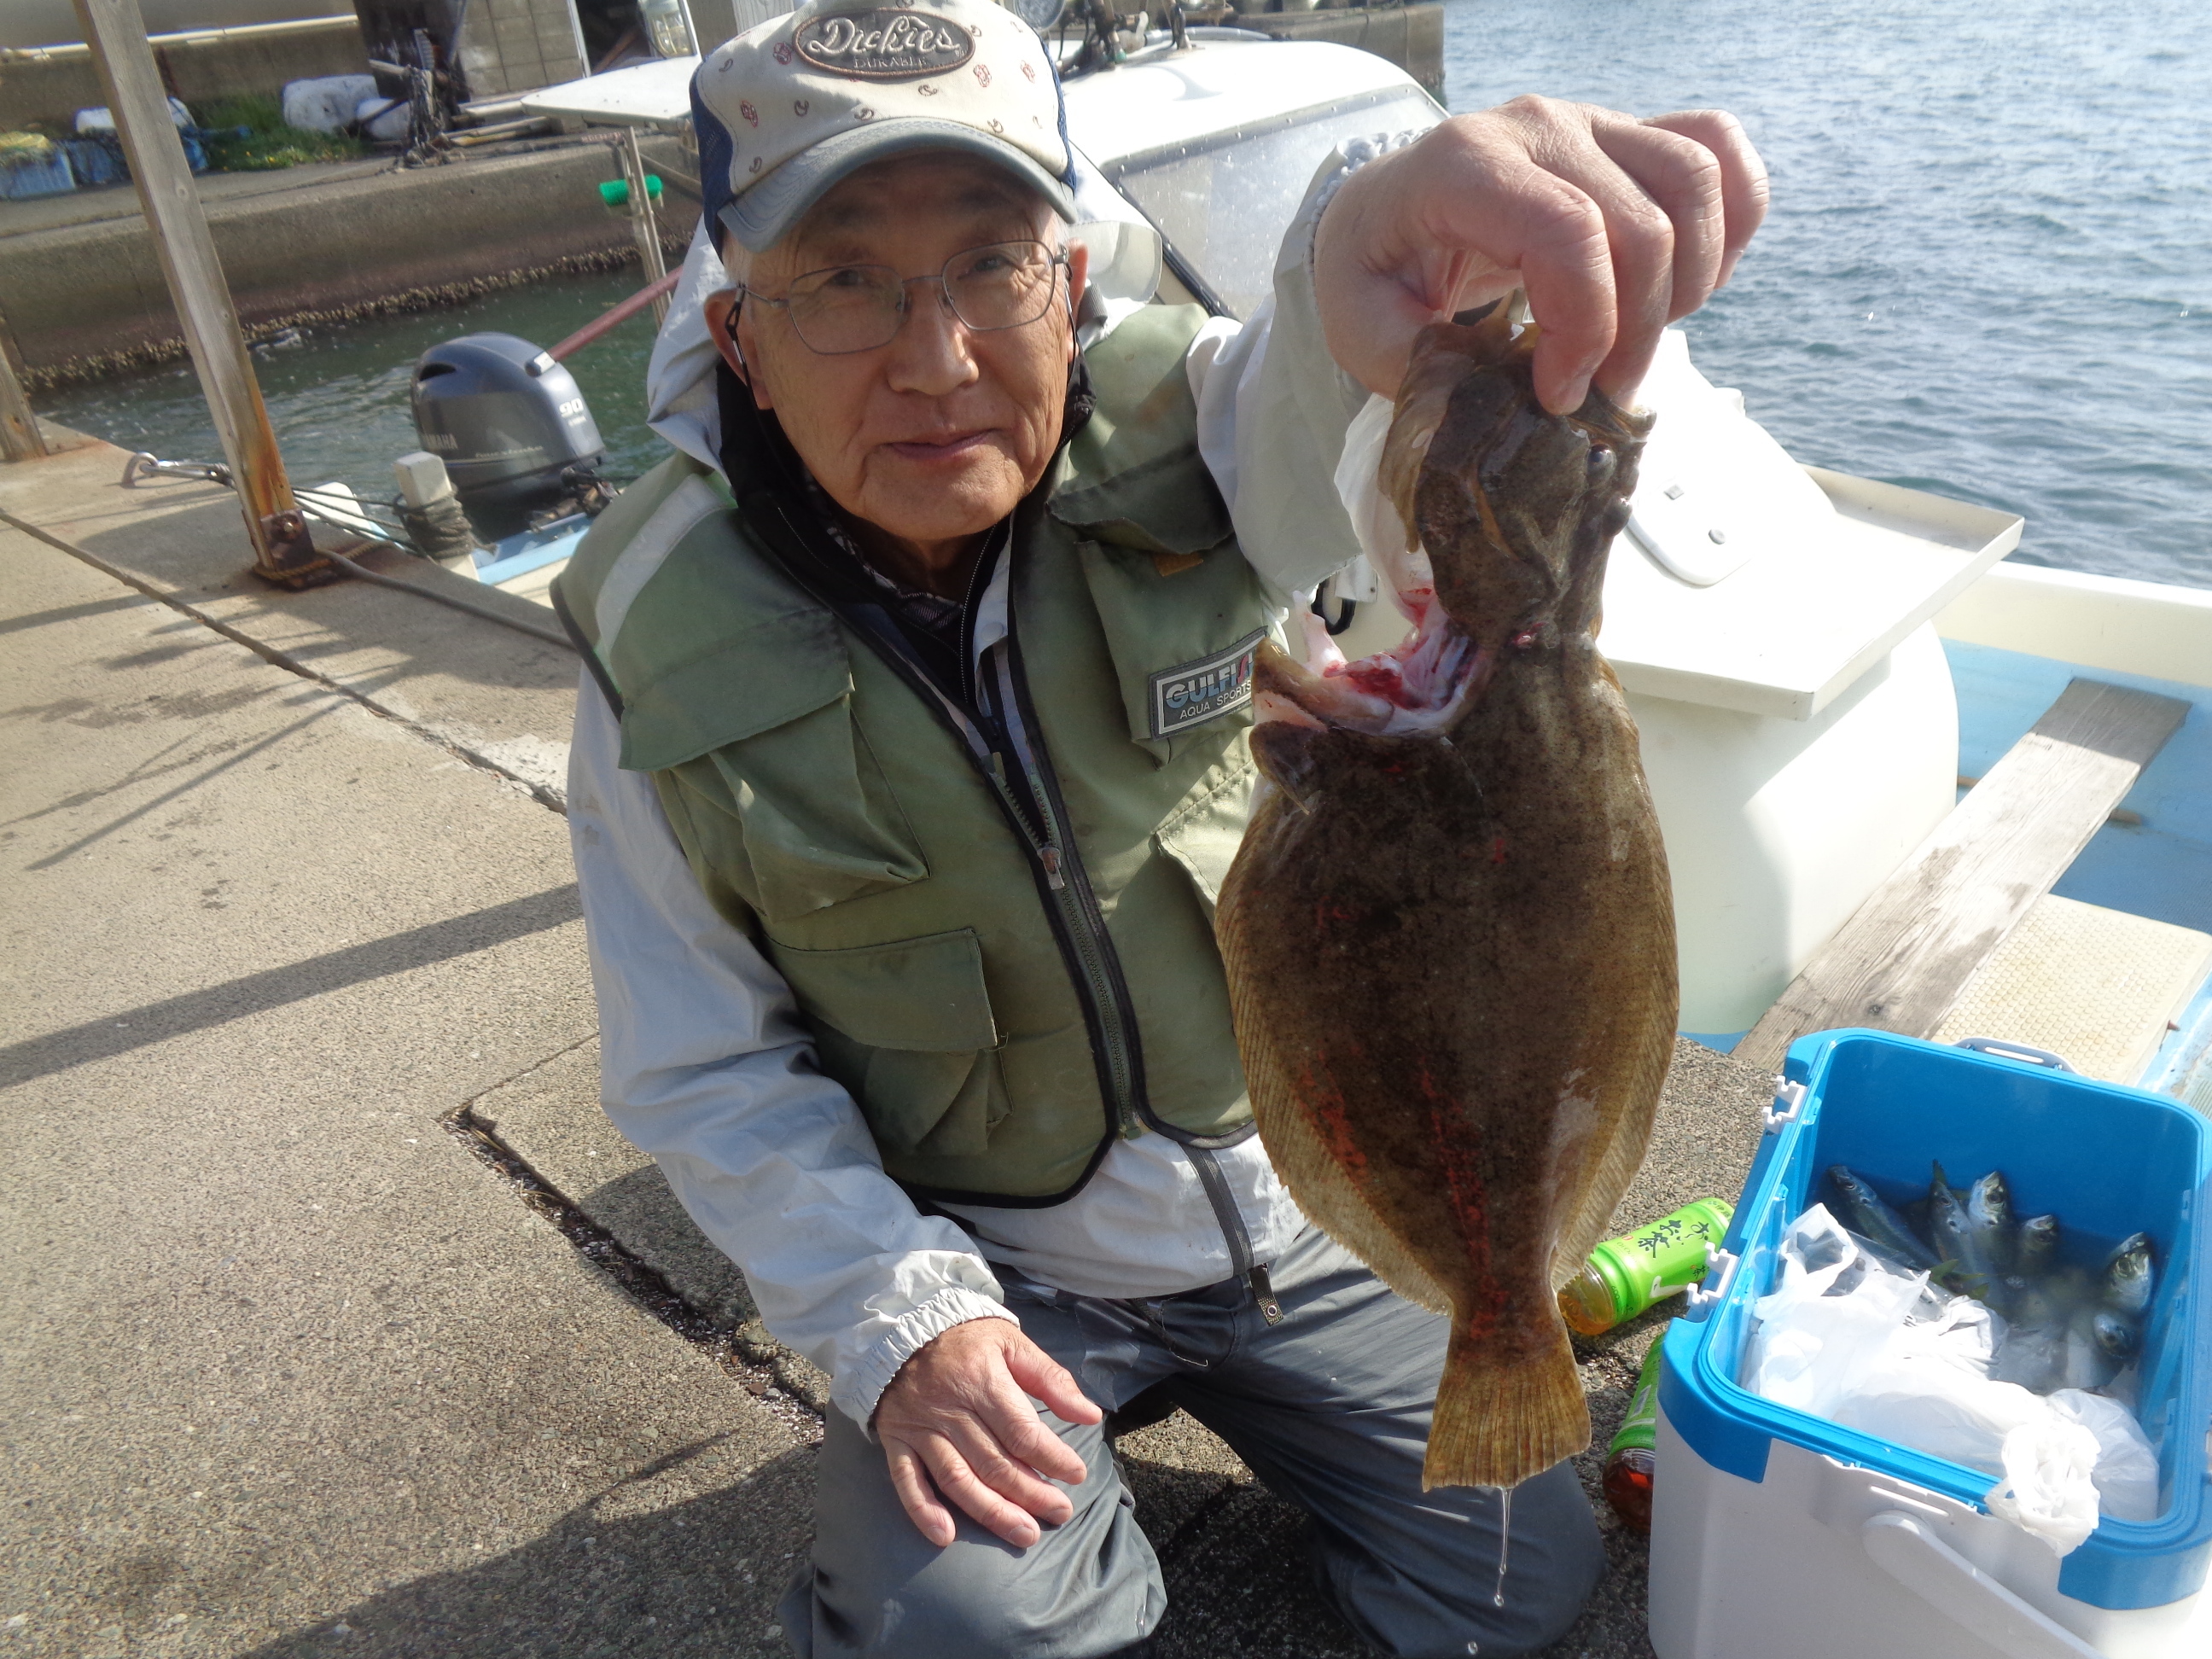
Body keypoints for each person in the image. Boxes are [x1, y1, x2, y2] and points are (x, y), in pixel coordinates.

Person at [554, 4, 1766, 1655]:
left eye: (991, 264)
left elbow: (1327, 386)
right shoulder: (653, 640)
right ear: (738, 332)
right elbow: (703, 1067)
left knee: (1515, 1589)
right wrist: (904, 1326)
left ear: (1069, 280)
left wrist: (1381, 224)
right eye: (841, 279)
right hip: (995, 1254)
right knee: (972, 1634)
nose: (938, 360)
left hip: (1290, 1207)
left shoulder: (1197, 441)